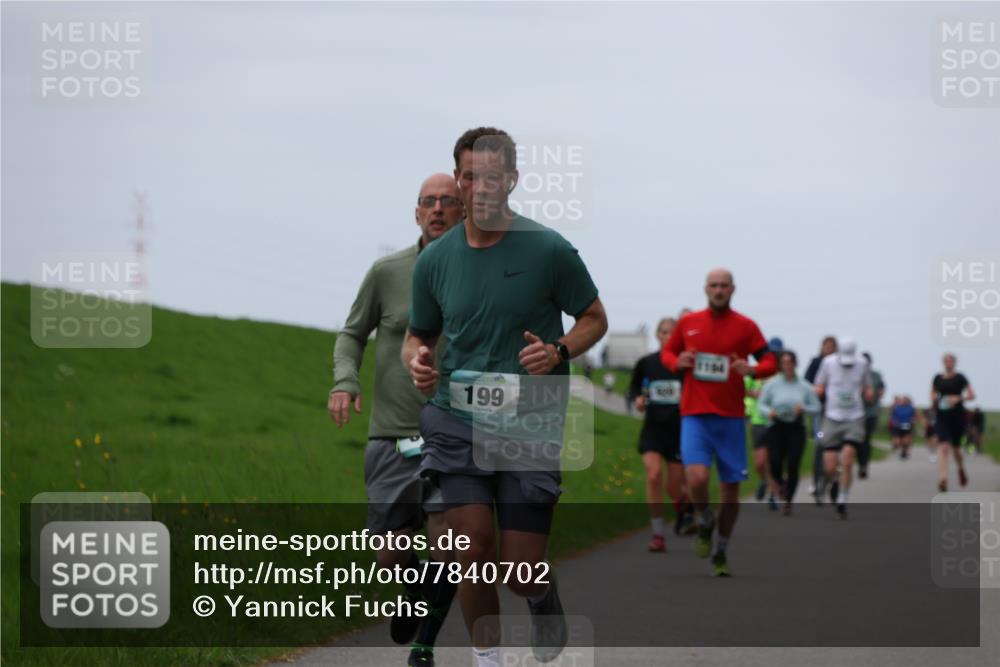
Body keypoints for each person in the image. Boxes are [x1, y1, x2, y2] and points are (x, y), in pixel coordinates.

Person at [403, 127, 607, 667]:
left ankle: (542, 595)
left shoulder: (548, 250)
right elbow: (417, 335)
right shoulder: (435, 261)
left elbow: (594, 318)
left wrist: (559, 351)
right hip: (455, 416)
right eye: (470, 177)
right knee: (468, 549)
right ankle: (487, 659)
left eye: (493, 177)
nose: (480, 188)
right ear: (459, 180)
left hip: (529, 421)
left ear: (512, 180)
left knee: (520, 567)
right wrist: (418, 361)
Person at [329, 173, 463, 667]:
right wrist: (346, 381)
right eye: (428, 202)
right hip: (391, 434)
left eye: (448, 202)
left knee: (448, 542)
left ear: (464, 210)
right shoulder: (387, 272)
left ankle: (424, 643)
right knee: (390, 555)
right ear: (415, 212)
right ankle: (412, 595)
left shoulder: (479, 274)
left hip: (455, 433)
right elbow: (351, 334)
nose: (437, 210)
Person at [661, 269, 777, 577]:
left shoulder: (746, 326)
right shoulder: (689, 323)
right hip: (695, 416)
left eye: (724, 285)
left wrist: (750, 369)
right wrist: (678, 362)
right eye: (714, 285)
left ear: (733, 289)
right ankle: (703, 519)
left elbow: (770, 362)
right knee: (696, 478)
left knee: (730, 493)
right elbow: (668, 354)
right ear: (705, 289)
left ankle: (721, 550)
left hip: (731, 419)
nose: (719, 290)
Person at [629, 317, 691, 551]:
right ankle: (657, 535)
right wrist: (638, 398)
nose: (667, 336)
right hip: (653, 429)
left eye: (671, 333)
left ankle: (684, 502)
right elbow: (634, 386)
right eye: (663, 332)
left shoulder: (684, 366)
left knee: (673, 489)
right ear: (657, 335)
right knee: (653, 475)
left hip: (678, 431)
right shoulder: (647, 362)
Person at [814, 336, 873, 519]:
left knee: (847, 459)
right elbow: (819, 384)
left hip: (854, 417)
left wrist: (869, 393)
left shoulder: (862, 364)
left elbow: (868, 386)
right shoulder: (828, 363)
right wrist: (818, 392)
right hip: (832, 417)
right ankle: (834, 482)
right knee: (830, 465)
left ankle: (842, 499)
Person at [757, 350, 821, 515]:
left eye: (790, 363)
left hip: (796, 427)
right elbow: (761, 404)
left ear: (794, 364)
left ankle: (789, 501)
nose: (787, 366)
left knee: (793, 464)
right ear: (780, 365)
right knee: (775, 462)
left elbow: (817, 408)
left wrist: (804, 408)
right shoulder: (772, 384)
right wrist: (768, 412)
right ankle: (780, 484)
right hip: (776, 426)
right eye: (784, 363)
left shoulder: (804, 386)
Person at [745, 337, 784, 510]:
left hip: (778, 422)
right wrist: (756, 394)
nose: (774, 356)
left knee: (774, 461)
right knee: (759, 463)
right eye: (772, 353)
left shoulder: (784, 374)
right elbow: (744, 389)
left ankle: (773, 495)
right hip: (758, 420)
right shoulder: (758, 370)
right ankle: (764, 480)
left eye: (777, 353)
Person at [931, 353, 976, 492]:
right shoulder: (938, 378)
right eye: (946, 360)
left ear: (954, 363)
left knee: (956, 449)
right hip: (942, 416)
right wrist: (935, 399)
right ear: (943, 362)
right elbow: (932, 393)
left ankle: (961, 469)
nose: (948, 363)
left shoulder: (960, 378)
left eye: (950, 361)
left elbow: (972, 395)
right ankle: (943, 479)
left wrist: (958, 398)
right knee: (943, 446)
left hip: (957, 416)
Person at [804, 336, 837, 504]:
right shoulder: (816, 363)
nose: (829, 349)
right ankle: (817, 482)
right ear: (822, 347)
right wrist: (816, 390)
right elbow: (806, 382)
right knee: (820, 444)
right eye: (826, 346)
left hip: (837, 413)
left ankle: (831, 480)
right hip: (820, 410)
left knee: (835, 448)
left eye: (832, 346)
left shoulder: (840, 365)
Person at [859, 352, 885, 479]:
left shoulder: (876, 375)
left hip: (871, 412)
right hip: (856, 412)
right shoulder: (855, 374)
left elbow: (881, 391)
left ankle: (864, 465)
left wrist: (874, 395)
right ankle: (859, 462)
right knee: (858, 440)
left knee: (866, 439)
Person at [889, 395, 917, 460]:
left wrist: (913, 420)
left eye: (905, 400)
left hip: (907, 426)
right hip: (898, 426)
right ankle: (898, 448)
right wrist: (894, 421)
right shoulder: (897, 408)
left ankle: (904, 452)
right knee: (897, 441)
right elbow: (893, 416)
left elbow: (914, 416)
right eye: (903, 400)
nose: (904, 401)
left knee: (906, 441)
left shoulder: (911, 408)